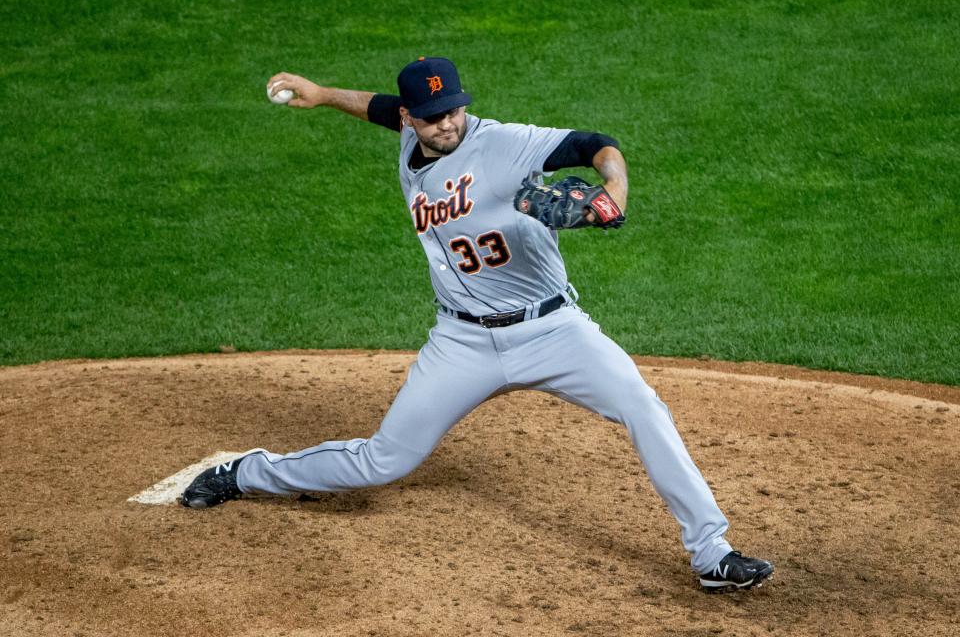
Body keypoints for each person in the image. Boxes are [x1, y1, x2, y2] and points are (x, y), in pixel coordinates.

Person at [180, 57, 774, 593]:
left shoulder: (505, 144)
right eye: (434, 116)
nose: (449, 124)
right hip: (462, 340)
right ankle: (248, 472)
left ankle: (711, 553)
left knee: (643, 406)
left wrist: (613, 190)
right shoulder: (411, 132)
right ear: (413, 118)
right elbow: (379, 108)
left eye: (455, 109)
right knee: (384, 460)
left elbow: (597, 144)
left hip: (552, 331)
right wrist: (324, 92)